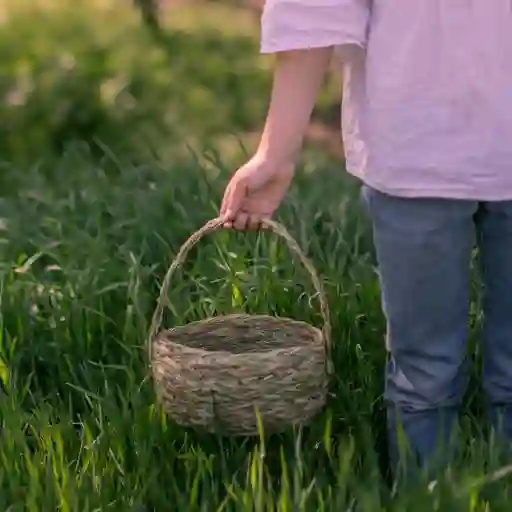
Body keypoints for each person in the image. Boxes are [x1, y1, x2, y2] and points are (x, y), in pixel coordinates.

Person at [219, 0, 512, 478]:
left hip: (418, 144)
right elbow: (313, 7)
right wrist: (277, 152)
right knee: (425, 374)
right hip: (418, 149)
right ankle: (427, 497)